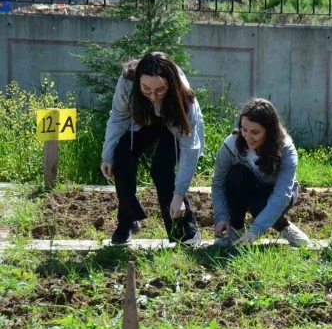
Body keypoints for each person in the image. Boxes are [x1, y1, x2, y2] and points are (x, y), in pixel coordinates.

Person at [100, 52, 203, 246]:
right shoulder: (127, 82)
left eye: (160, 90)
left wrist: (179, 194)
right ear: (138, 81)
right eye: (146, 89)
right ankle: (128, 221)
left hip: (172, 123)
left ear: (171, 85)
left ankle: (185, 230)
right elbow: (117, 118)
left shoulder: (184, 97)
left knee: (162, 169)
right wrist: (107, 156)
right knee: (120, 155)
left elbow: (190, 147)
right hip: (143, 121)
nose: (153, 96)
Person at [211, 98, 310, 248]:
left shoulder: (285, 148)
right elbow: (218, 183)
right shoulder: (231, 145)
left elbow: (282, 193)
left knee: (260, 205)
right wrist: (221, 217)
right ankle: (235, 230)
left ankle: (284, 226)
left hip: (275, 193)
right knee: (236, 175)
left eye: (255, 132)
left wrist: (255, 231)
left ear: (269, 131)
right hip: (248, 188)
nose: (248, 137)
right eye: (244, 129)